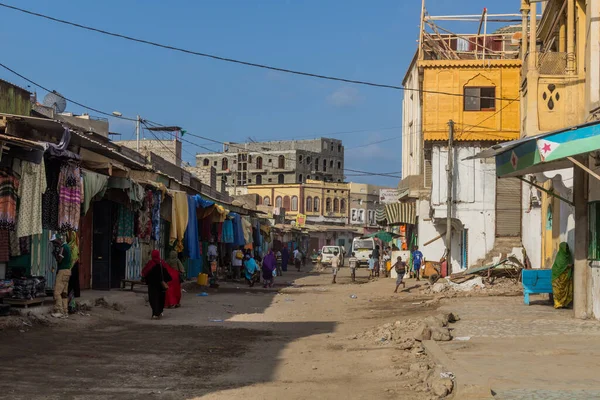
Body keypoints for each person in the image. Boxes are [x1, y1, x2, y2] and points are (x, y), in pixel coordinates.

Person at [142, 250, 173, 319]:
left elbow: (145, 273)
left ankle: (155, 313)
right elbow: (166, 274)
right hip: (161, 285)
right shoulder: (162, 263)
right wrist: (165, 280)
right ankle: (159, 311)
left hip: (152, 285)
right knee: (161, 298)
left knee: (153, 299)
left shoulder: (150, 263)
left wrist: (146, 280)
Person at [51, 234, 72, 319]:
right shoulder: (67, 247)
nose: (54, 244)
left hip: (62, 271)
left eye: (54, 242)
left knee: (57, 292)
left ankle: (59, 311)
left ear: (58, 240)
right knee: (64, 293)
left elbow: (59, 260)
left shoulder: (63, 247)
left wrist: (55, 254)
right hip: (67, 271)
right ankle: (65, 312)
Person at [551, 242, 574, 309]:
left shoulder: (568, 254)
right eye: (564, 248)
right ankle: (558, 304)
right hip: (557, 276)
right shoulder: (560, 256)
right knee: (558, 291)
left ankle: (564, 303)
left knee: (565, 290)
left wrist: (570, 266)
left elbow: (569, 263)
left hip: (566, 277)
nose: (566, 249)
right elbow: (559, 266)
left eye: (567, 247)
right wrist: (567, 266)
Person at [66, 231, 80, 314]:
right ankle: (71, 305)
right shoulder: (74, 246)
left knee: (69, 287)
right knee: (70, 288)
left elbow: (73, 260)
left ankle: (70, 306)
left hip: (71, 269)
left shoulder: (71, 247)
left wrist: (69, 268)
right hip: (73, 269)